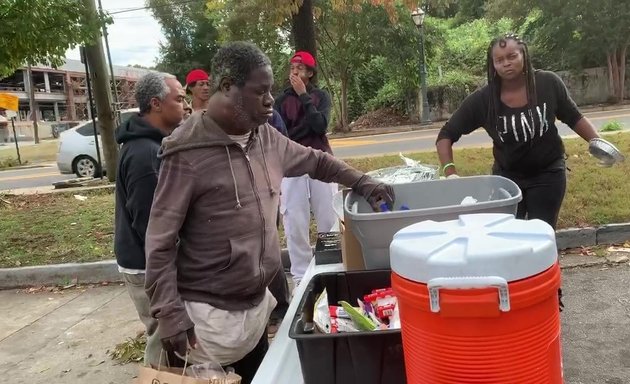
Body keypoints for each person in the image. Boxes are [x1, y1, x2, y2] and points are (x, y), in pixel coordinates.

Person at [144, 41, 393, 383]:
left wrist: (363, 182)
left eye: (270, 91)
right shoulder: (185, 152)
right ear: (228, 87)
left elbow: (316, 160)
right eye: (260, 91)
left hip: (255, 313)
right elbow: (159, 241)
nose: (270, 100)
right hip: (205, 324)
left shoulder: (265, 138)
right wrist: (169, 314)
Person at [436, 33, 603, 230]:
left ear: (523, 54)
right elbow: (446, 135)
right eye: (499, 60)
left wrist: (599, 143)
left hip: (548, 176)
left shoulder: (547, 83)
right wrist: (450, 174)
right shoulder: (483, 100)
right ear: (493, 65)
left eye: (512, 56)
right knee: (507, 235)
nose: (506, 63)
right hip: (507, 180)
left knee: (541, 234)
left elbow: (574, 117)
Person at [113, 72, 185, 366]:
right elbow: (151, 224)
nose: (185, 105)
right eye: (179, 99)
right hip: (147, 265)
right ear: (156, 103)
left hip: (147, 259)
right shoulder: (145, 154)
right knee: (166, 340)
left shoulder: (153, 144)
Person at [274, 51, 336, 285]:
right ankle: (300, 276)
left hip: (321, 162)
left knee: (327, 216)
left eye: (300, 68)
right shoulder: (281, 101)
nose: (294, 72)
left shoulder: (320, 97)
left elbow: (319, 126)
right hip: (292, 165)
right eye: (292, 68)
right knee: (295, 219)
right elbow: (282, 133)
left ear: (310, 73)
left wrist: (303, 95)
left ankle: (331, 266)